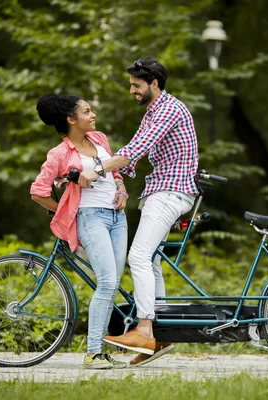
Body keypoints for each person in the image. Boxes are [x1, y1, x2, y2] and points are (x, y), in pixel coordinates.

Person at [78, 57, 199, 366]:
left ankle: (144, 329)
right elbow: (130, 160)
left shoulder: (168, 109)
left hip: (170, 192)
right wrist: (113, 178)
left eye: (136, 85)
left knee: (138, 257)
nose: (131, 90)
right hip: (162, 190)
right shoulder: (153, 111)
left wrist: (96, 169)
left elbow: (133, 150)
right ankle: (160, 336)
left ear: (154, 84)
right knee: (153, 262)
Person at [30, 94, 129, 370]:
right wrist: (62, 209)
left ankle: (103, 351)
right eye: (87, 111)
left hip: (117, 217)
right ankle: (93, 354)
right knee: (108, 282)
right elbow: (38, 192)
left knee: (112, 284)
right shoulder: (59, 154)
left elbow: (115, 172)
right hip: (90, 218)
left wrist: (121, 190)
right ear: (71, 120)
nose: (93, 114)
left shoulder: (100, 139)